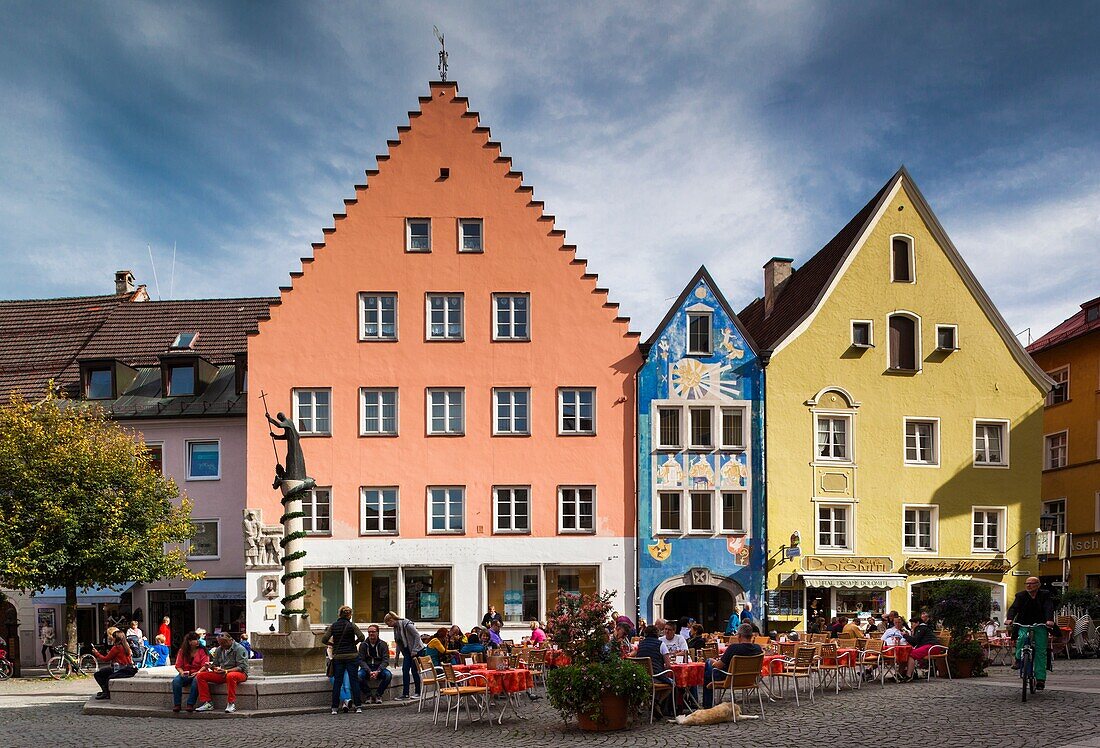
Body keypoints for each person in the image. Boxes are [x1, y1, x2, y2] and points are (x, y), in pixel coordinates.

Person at [1005, 576, 1056, 690]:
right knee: (1021, 639)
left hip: (1040, 624)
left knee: (1041, 650)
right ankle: (1018, 659)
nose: (1028, 585)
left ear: (1038, 585)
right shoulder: (1021, 595)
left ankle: (1040, 679)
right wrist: (1010, 618)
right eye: (1027, 583)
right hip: (1023, 623)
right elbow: (1014, 608)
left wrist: (1049, 620)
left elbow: (1048, 607)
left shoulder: (1045, 594)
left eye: (1032, 583)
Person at [703, 623, 762, 707]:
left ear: (739, 636)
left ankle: (707, 705)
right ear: (751, 635)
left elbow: (719, 666)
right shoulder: (758, 648)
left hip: (730, 678)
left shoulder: (733, 648)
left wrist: (713, 662)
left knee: (708, 663)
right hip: (750, 680)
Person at [321, 605, 364, 715]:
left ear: (339, 614)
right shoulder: (352, 625)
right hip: (352, 656)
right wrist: (353, 643)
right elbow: (362, 637)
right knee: (354, 681)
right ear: (350, 615)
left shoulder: (334, 626)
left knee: (338, 682)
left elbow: (324, 639)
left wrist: (333, 645)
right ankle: (358, 706)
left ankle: (334, 708)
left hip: (339, 657)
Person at [194, 632, 250, 713]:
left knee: (230, 676)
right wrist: (211, 666)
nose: (223, 645)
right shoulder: (219, 649)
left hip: (240, 674)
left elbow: (241, 667)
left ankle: (231, 703)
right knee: (200, 676)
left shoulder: (239, 648)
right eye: (220, 643)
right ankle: (207, 703)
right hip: (224, 673)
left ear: (230, 640)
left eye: (224, 643)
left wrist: (226, 671)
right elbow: (215, 664)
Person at [635, 625, 674, 716]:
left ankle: (651, 702)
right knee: (672, 683)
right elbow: (668, 665)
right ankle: (657, 702)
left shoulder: (640, 645)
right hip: (656, 676)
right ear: (657, 634)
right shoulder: (661, 644)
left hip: (643, 677)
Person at [384, 611, 423, 700]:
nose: (388, 626)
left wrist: (415, 650)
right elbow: (399, 642)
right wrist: (396, 658)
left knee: (414, 671)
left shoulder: (406, 624)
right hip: (407, 651)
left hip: (415, 650)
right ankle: (405, 694)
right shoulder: (396, 628)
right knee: (405, 670)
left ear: (391, 620)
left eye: (388, 623)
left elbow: (417, 636)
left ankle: (418, 692)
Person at [91, 629, 137, 700]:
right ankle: (106, 692)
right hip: (128, 669)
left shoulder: (116, 647)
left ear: (116, 638)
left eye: (113, 637)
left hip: (119, 669)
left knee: (98, 674)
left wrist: (96, 653)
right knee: (105, 671)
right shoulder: (126, 646)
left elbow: (106, 659)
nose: (111, 638)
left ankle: (106, 692)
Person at [172, 632, 210, 712]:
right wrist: (182, 672)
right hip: (186, 672)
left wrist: (198, 672)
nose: (197, 641)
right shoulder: (182, 651)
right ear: (189, 642)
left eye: (197, 639)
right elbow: (178, 665)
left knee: (196, 681)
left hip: (199, 672)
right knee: (176, 681)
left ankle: (190, 704)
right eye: (195, 640)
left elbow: (205, 665)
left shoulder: (202, 650)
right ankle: (177, 704)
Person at [357, 624, 392, 704]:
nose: (371, 634)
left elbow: (385, 660)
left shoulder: (383, 644)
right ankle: (368, 695)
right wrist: (369, 671)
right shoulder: (363, 645)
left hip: (378, 668)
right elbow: (361, 660)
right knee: (358, 676)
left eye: (373, 632)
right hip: (367, 668)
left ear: (378, 633)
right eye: (369, 632)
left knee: (388, 675)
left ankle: (378, 695)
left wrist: (378, 671)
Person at [901, 612, 940, 681]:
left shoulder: (921, 628)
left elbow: (915, 641)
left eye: (912, 623)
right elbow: (914, 643)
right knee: (907, 653)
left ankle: (908, 676)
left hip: (932, 647)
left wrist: (905, 635)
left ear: (917, 623)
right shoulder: (922, 628)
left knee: (911, 654)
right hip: (931, 646)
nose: (911, 626)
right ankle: (908, 673)